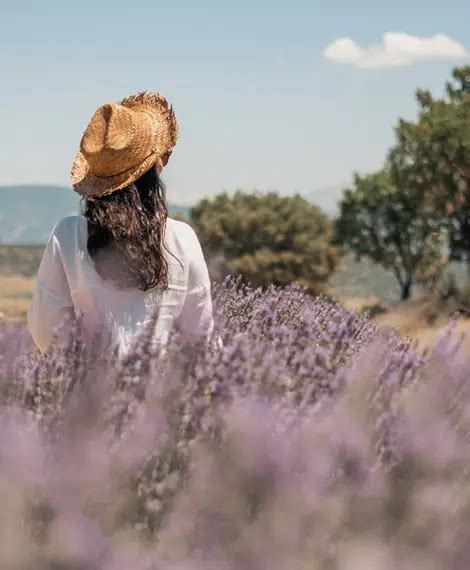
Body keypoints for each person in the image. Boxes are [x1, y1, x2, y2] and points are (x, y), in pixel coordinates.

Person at [28, 91, 214, 356]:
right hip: (161, 393)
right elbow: (200, 337)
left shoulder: (68, 234)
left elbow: (45, 327)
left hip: (88, 394)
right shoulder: (182, 238)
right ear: (156, 167)